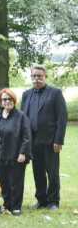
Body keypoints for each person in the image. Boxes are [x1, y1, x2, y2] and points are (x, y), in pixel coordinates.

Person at [21, 65, 68, 210]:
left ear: (45, 76)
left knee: (52, 173)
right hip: (32, 141)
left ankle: (53, 201)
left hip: (50, 141)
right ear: (31, 77)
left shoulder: (55, 93)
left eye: (39, 76)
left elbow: (62, 118)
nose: (37, 79)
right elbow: (23, 118)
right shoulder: (26, 94)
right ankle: (41, 200)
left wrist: (58, 140)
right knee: (38, 172)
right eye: (34, 76)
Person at [0, 88, 32, 216]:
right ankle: (7, 205)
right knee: (4, 182)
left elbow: (26, 136)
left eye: (9, 99)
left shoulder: (21, 116)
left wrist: (23, 153)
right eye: (4, 99)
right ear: (0, 102)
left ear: (14, 100)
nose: (7, 101)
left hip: (16, 155)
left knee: (16, 182)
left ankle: (16, 206)